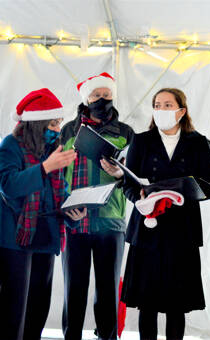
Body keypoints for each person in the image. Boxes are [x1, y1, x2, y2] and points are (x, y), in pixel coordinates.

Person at [102, 88, 210, 339]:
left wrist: (183, 192)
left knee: (177, 305)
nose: (161, 109)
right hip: (147, 228)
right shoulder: (142, 141)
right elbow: (128, 184)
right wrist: (141, 197)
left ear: (181, 111)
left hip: (182, 231)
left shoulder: (198, 143)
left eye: (168, 105)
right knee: (148, 303)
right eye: (157, 104)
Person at [0, 88, 86, 340]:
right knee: (14, 309)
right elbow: (9, 185)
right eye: (53, 123)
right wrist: (44, 167)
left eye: (58, 123)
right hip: (14, 237)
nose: (57, 128)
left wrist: (72, 211)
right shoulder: (9, 146)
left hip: (45, 234)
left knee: (38, 307)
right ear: (37, 123)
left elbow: (59, 191)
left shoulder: (52, 146)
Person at [60, 72, 134, 340]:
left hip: (110, 220)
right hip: (74, 220)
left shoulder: (125, 132)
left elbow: (136, 177)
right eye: (95, 95)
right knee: (74, 289)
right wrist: (65, 209)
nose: (101, 99)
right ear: (86, 98)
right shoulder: (68, 130)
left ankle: (107, 336)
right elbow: (57, 173)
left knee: (108, 289)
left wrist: (120, 173)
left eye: (106, 95)